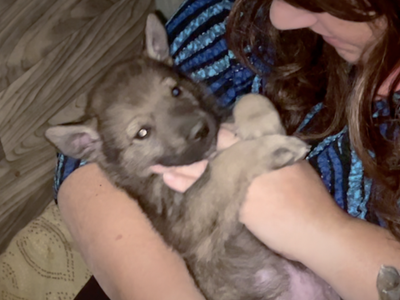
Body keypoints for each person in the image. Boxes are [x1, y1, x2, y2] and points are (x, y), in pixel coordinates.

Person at [56, 0, 400, 299]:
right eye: (143, 131)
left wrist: (322, 231)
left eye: (175, 93)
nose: (279, 16)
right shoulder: (241, 19)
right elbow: (75, 163)